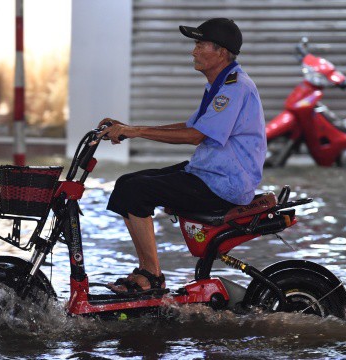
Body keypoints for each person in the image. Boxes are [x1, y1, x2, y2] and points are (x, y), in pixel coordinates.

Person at [96, 18, 267, 295]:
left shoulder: (235, 88)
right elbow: (192, 127)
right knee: (127, 183)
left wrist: (135, 131)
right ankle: (146, 270)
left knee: (136, 189)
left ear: (221, 52)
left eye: (200, 44)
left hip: (223, 184)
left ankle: (151, 275)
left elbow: (195, 137)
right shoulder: (220, 84)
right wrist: (128, 128)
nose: (194, 51)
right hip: (208, 173)